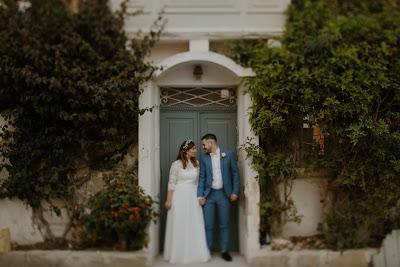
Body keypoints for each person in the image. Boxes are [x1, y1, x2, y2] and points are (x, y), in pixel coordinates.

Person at [163, 140, 210, 264]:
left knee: (194, 223)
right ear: (185, 150)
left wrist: (202, 196)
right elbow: (172, 184)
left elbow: (200, 183)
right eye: (193, 148)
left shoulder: (197, 164)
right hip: (179, 197)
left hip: (193, 196)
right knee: (180, 223)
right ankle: (178, 253)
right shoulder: (176, 164)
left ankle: (194, 253)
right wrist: (168, 200)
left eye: (195, 148)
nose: (195, 150)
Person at [197, 133, 240, 262]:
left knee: (224, 224)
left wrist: (235, 192)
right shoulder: (204, 158)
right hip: (209, 196)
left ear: (211, 143)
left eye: (204, 144)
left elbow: (235, 175)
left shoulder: (229, 154)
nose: (203, 147)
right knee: (208, 225)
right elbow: (202, 178)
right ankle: (207, 251)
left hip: (224, 195)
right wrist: (200, 195)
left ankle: (224, 251)